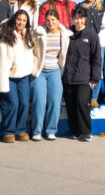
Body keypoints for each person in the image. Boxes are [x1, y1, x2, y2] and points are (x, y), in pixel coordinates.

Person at [30, 9, 72, 141]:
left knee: (55, 101)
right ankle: (37, 131)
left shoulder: (64, 34)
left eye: (53, 20)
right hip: (39, 70)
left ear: (58, 21)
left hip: (55, 70)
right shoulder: (39, 33)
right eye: (48, 20)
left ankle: (51, 130)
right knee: (40, 101)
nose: (50, 22)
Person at [0, 10, 35, 143]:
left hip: (23, 76)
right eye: (19, 19)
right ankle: (8, 131)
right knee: (13, 104)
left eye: (24, 20)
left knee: (23, 103)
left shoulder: (28, 35)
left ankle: (20, 130)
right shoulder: (5, 35)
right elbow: (0, 60)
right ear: (14, 19)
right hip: (9, 75)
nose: (21, 22)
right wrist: (2, 81)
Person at [62, 7, 101, 142]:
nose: (78, 21)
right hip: (68, 76)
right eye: (75, 18)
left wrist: (95, 78)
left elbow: (96, 58)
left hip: (84, 77)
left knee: (81, 103)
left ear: (85, 19)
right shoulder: (68, 33)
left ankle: (86, 132)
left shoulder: (91, 35)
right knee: (71, 104)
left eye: (80, 18)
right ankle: (75, 131)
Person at [79, 0, 105, 108]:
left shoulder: (102, 9)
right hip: (83, 44)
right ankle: (85, 96)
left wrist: (97, 40)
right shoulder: (80, 7)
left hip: (99, 45)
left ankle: (94, 98)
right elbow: (76, 23)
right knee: (84, 70)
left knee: (97, 70)